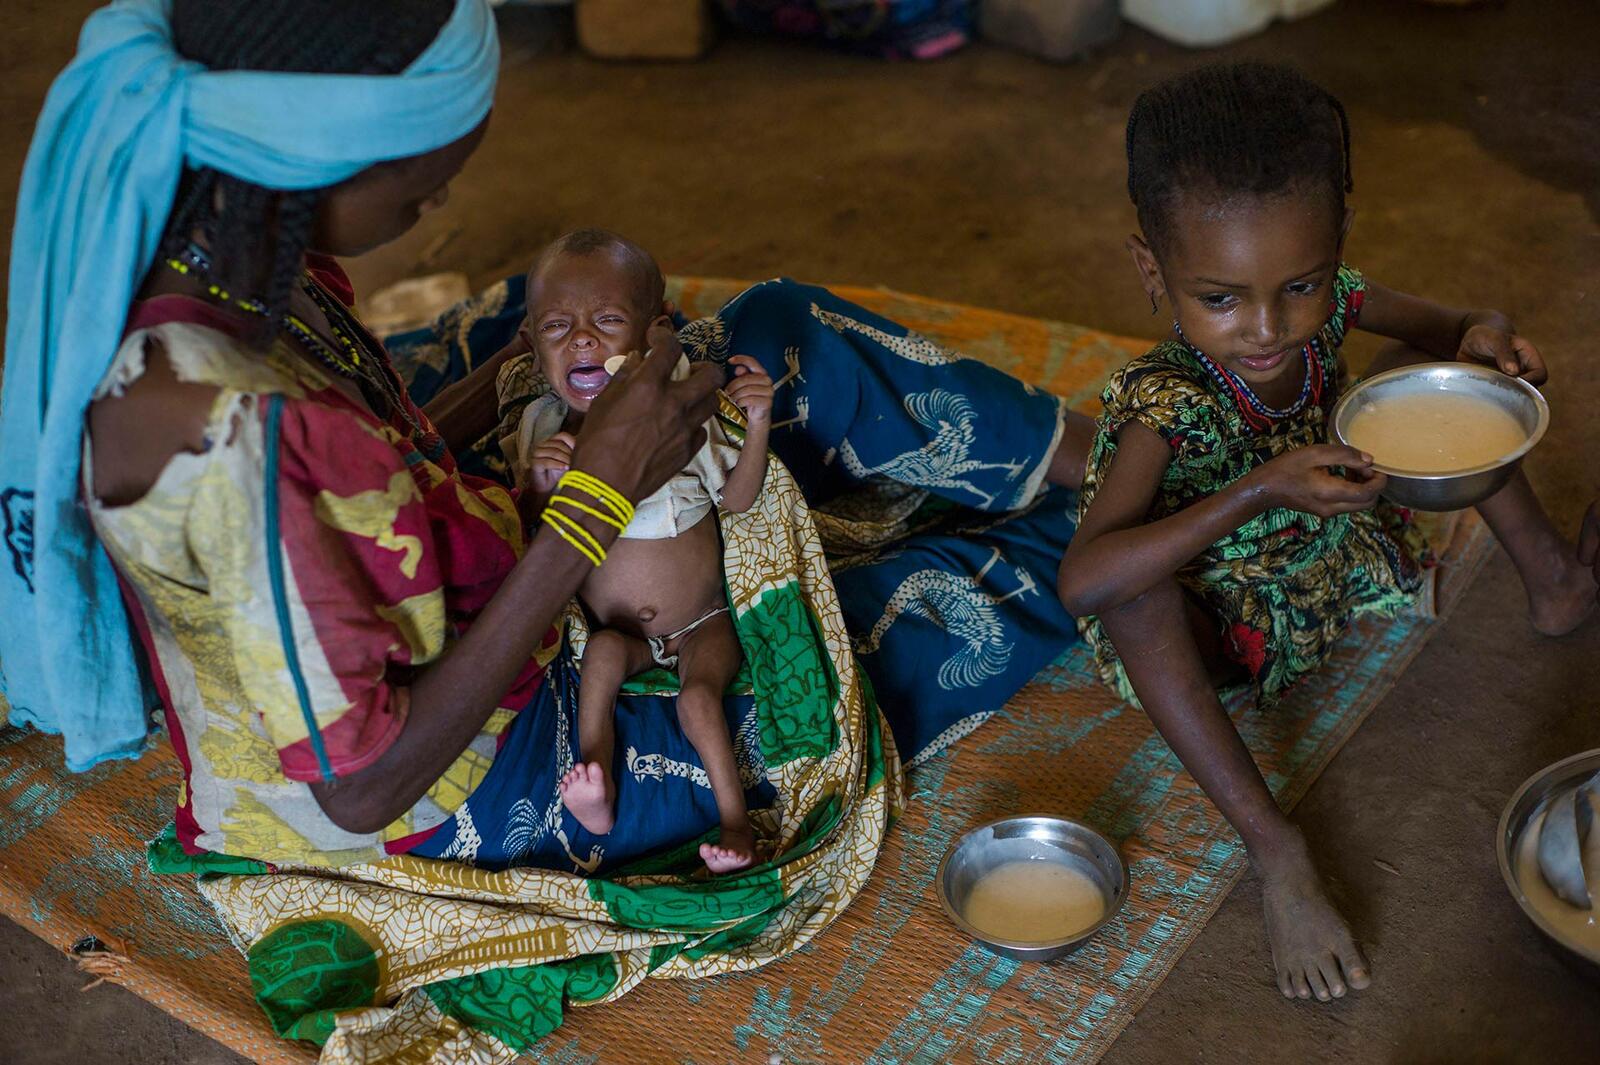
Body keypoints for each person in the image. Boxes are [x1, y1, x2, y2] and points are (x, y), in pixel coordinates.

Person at [1057, 62, 1596, 1004]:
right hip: (1216, 616)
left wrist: (1486, 336)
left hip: (1323, 550)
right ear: (1152, 271)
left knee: (1434, 373)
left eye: (1299, 285)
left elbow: (1453, 327)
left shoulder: (1336, 298)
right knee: (1134, 597)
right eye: (1219, 298)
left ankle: (1554, 578)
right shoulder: (1162, 404)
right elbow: (1085, 582)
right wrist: (1257, 491)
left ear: (1337, 240)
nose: (1268, 327)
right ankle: (1277, 850)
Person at [510, 230, 773, 873]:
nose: (582, 340)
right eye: (557, 327)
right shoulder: (542, 430)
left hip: (701, 622)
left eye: (607, 321)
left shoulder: (681, 419)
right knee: (599, 657)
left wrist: (759, 423)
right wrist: (538, 485)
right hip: (622, 633)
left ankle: (736, 822)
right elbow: (529, 539)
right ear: (532, 345)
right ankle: (594, 781)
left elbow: (739, 501)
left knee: (698, 701)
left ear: (656, 335)